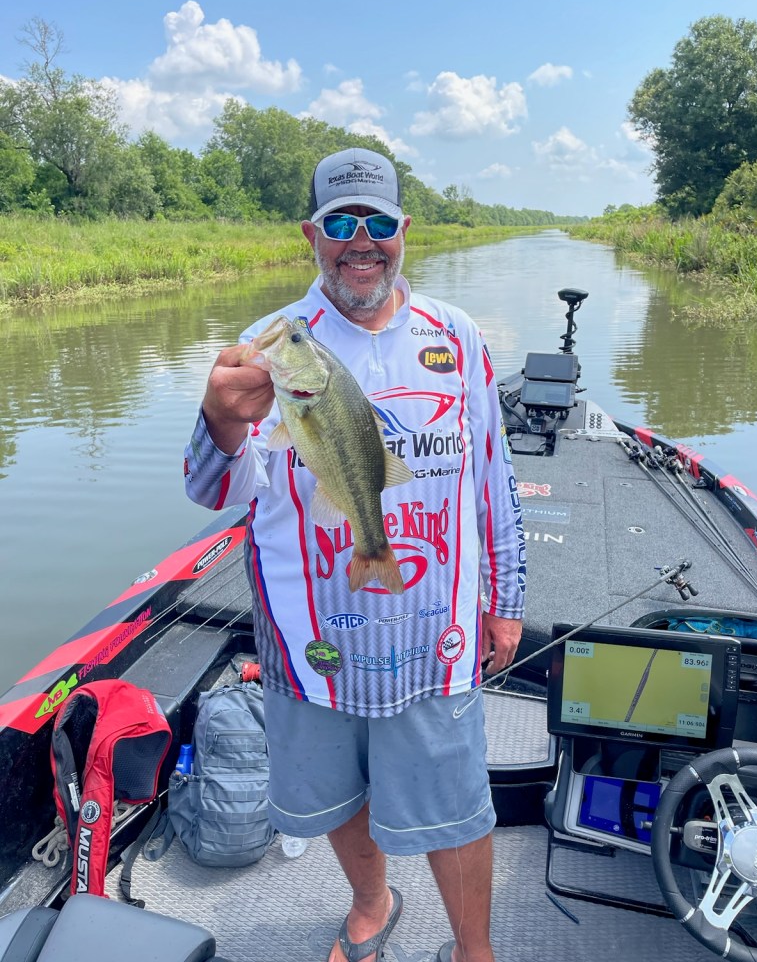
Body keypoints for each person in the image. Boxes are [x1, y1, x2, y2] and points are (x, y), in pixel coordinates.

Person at [183, 147, 526, 962]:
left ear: (405, 230)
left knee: (456, 802)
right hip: (309, 637)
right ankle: (371, 904)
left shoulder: (457, 335)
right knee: (336, 793)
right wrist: (222, 421)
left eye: (378, 221)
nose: (360, 240)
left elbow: (494, 478)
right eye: (340, 223)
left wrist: (506, 601)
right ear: (313, 236)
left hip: (435, 635)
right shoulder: (264, 348)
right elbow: (212, 491)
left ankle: (474, 949)